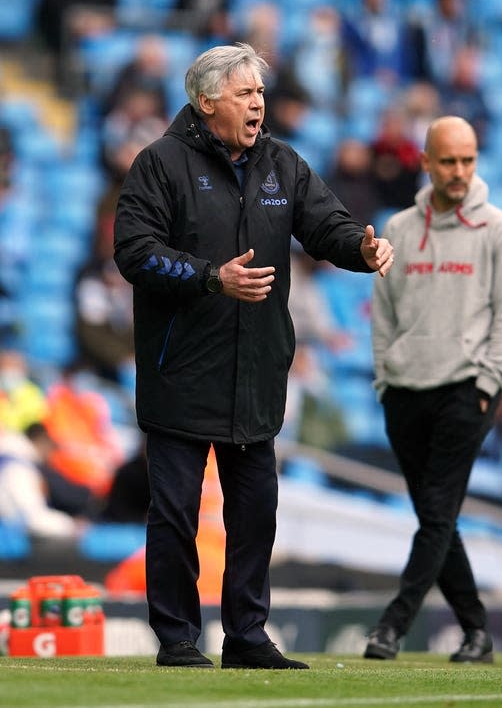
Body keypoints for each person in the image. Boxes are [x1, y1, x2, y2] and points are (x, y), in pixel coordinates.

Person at [113, 42, 393, 670]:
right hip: (180, 373)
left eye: (261, 93)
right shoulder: (159, 165)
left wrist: (361, 248)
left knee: (255, 518)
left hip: (257, 374)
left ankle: (246, 637)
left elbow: (326, 227)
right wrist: (213, 278)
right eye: (245, 93)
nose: (258, 103)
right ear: (206, 101)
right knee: (177, 517)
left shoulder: (282, 165)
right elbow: (134, 253)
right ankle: (179, 641)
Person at [364, 116, 502, 663]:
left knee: (436, 515)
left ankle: (392, 625)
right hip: (404, 392)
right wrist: (386, 376)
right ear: (427, 162)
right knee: (440, 519)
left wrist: (488, 385)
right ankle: (477, 632)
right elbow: (382, 312)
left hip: (466, 391)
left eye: (468, 160)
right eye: (449, 161)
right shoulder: (400, 229)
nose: (460, 172)